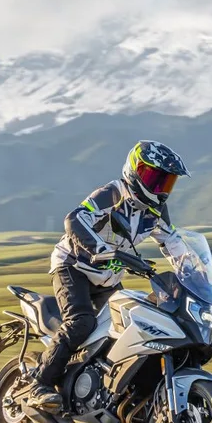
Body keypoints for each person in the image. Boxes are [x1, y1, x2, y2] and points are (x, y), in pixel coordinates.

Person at [28, 140, 189, 408]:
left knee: (131, 328)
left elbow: (172, 242)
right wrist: (99, 249)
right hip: (74, 266)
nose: (160, 188)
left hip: (107, 277)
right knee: (81, 322)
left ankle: (106, 395)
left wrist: (191, 266)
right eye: (154, 178)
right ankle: (39, 384)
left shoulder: (156, 210)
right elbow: (75, 219)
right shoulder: (113, 193)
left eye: (166, 182)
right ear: (135, 170)